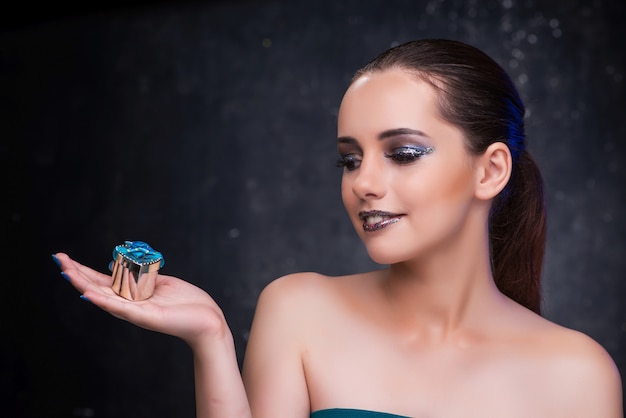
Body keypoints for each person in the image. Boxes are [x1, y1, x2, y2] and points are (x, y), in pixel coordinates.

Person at [53, 39, 623, 417]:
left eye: (402, 152)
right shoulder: (300, 310)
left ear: (490, 169)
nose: (363, 184)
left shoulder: (579, 374)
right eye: (349, 159)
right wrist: (212, 341)